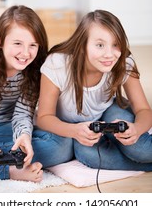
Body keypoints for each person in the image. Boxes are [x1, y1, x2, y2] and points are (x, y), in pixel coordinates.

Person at [34, 9, 152, 171]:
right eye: (100, 45)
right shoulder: (57, 64)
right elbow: (44, 117)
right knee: (89, 154)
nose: (110, 54)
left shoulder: (123, 62)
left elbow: (143, 109)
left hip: (108, 112)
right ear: (82, 46)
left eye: (116, 44)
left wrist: (137, 129)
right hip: (67, 124)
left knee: (141, 150)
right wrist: (74, 131)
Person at [0, 5, 48, 182]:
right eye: (17, 43)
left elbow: (23, 113)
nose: (25, 53)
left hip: (5, 129)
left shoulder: (34, 68)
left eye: (33, 45)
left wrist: (24, 135)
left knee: (60, 146)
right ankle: (10, 170)